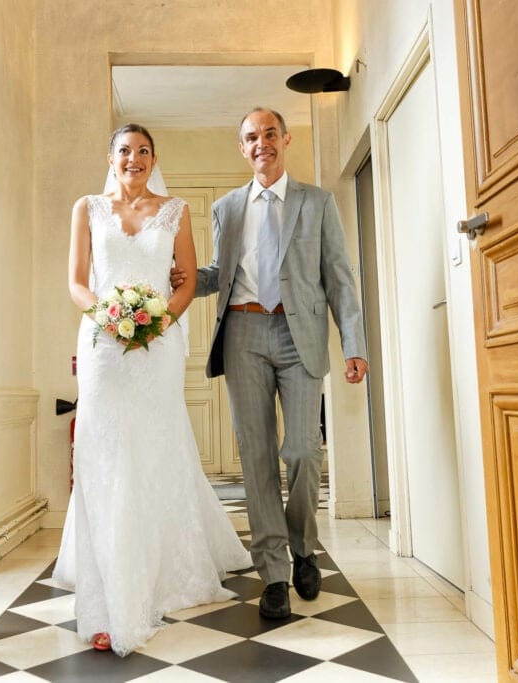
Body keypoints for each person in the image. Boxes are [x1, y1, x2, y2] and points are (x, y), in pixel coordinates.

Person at [54, 124, 251, 656]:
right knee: (104, 448)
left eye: (143, 151)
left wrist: (159, 321)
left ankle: (161, 568)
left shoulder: (175, 210)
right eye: (124, 151)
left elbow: (186, 278)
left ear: (153, 158)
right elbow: (76, 281)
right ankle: (109, 578)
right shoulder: (87, 208)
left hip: (159, 341)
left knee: (154, 445)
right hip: (103, 342)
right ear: (111, 156)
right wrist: (110, 317)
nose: (133, 159)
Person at [173, 107, 368, 619]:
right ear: (242, 148)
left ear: (286, 139)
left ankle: (304, 545)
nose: (261, 143)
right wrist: (181, 280)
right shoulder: (227, 208)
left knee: (303, 449)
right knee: (255, 456)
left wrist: (354, 345)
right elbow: (222, 272)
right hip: (242, 333)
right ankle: (274, 573)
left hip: (298, 333)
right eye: (250, 137)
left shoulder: (318, 202)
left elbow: (340, 279)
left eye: (268, 134)